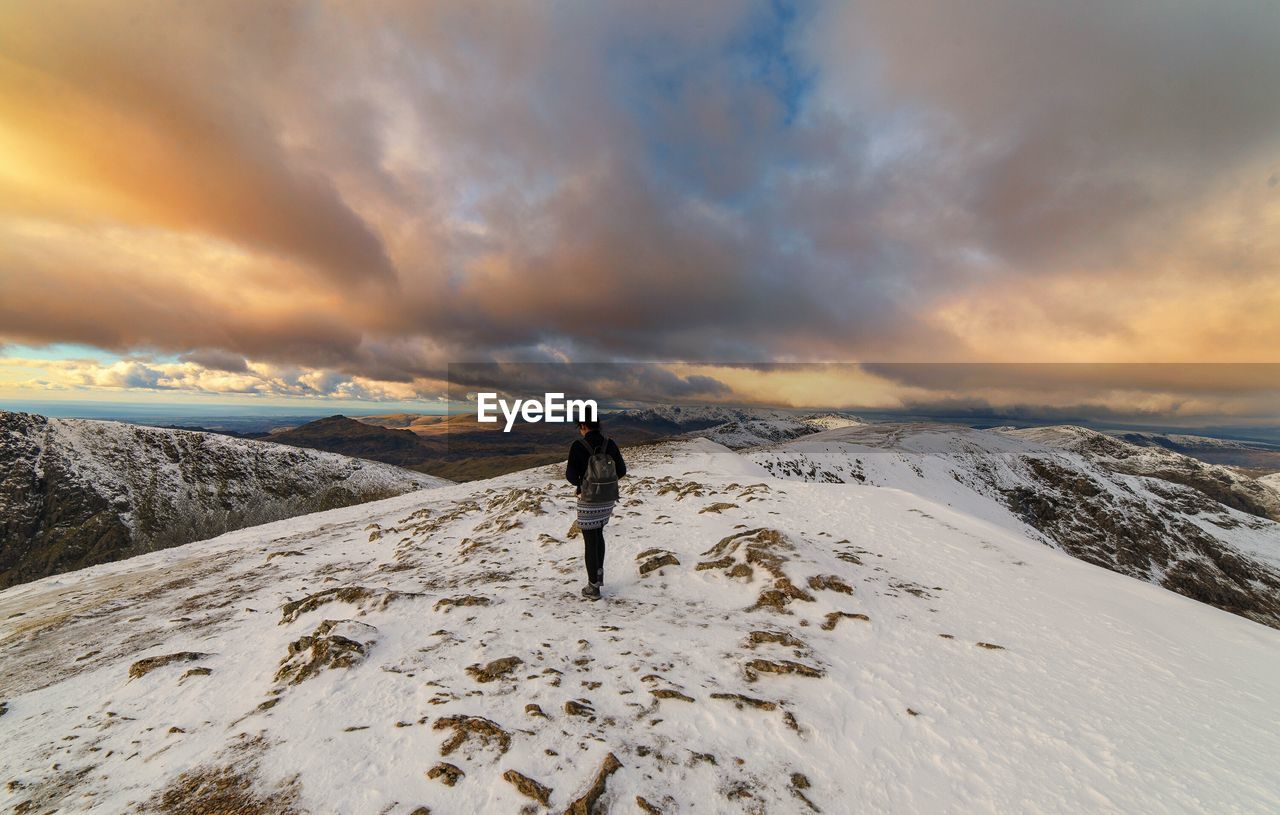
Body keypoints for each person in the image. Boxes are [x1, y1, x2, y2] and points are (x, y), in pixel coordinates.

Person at [565, 419, 627, 600]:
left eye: (580, 428)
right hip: (607, 499)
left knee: (590, 540)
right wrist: (605, 482)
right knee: (598, 534)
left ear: (583, 426)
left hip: (589, 499)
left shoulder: (578, 445)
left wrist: (582, 484)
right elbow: (621, 470)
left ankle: (593, 587)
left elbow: (570, 475)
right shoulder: (610, 443)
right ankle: (597, 579)